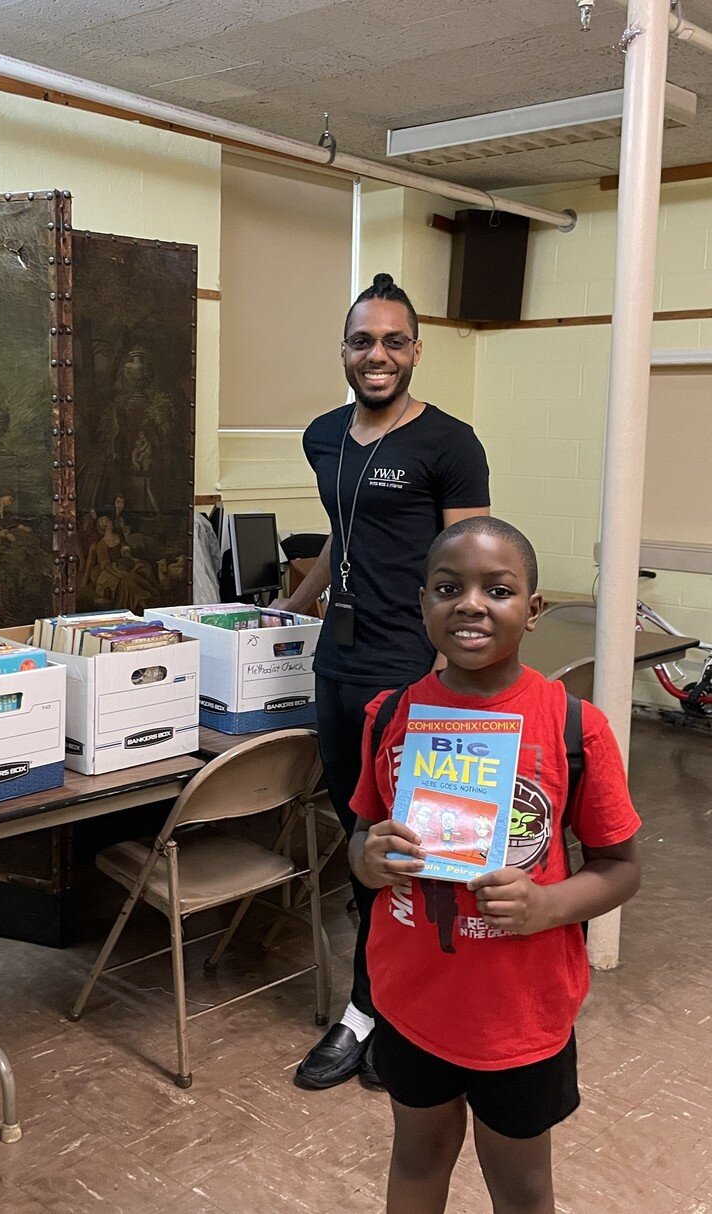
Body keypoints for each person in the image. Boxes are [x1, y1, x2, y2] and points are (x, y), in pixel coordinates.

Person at [351, 516, 641, 1213]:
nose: (471, 603)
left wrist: (548, 905)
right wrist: (370, 860)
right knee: (417, 1159)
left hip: (520, 1014)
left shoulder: (575, 726)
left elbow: (622, 867)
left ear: (532, 611)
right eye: (448, 587)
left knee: (520, 1185)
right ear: (423, 603)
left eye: (499, 589)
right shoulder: (392, 713)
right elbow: (362, 835)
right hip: (410, 997)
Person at [286, 273, 490, 1091]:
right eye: (363, 341)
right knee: (362, 842)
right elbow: (346, 537)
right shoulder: (323, 436)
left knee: (426, 850)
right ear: (345, 351)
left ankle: (408, 1012)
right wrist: (291, 603)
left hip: (414, 673)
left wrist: (451, 671)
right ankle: (373, 1008)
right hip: (339, 667)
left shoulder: (449, 443)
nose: (378, 355)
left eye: (394, 341)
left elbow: (465, 569)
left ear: (414, 351)